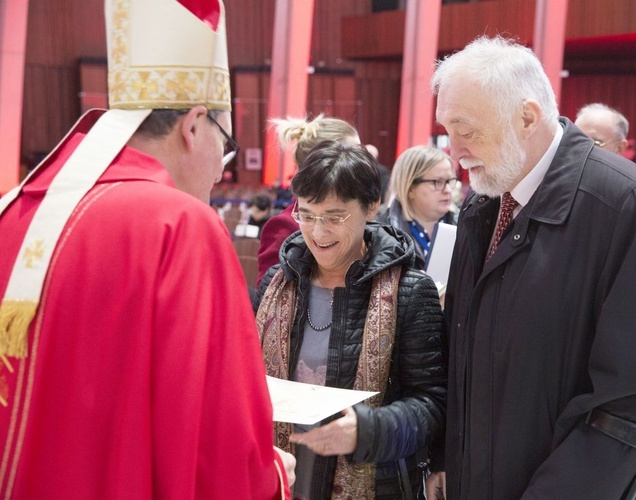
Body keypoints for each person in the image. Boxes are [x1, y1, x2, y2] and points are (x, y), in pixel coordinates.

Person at [0, 0, 293, 497]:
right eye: (224, 144)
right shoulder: (180, 226)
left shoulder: (15, 210)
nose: (222, 167)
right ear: (193, 125)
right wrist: (276, 472)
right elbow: (220, 441)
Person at [431, 36, 636, 499]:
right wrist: (449, 462)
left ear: (527, 117)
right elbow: (466, 362)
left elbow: (633, 398)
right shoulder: (482, 206)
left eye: (465, 129)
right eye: (447, 130)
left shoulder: (627, 203)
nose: (455, 149)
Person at [253, 141, 447, 499]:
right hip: (282, 480)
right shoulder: (278, 283)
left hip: (373, 483)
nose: (318, 232)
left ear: (371, 208)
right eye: (307, 215)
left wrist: (368, 430)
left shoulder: (408, 291)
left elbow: (432, 405)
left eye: (335, 217)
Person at [256, 115, 360, 288]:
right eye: (355, 156)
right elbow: (268, 299)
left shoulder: (361, 216)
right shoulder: (285, 226)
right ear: (326, 165)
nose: (364, 164)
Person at [380, 145, 457, 269]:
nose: (447, 190)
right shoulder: (382, 233)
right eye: (438, 182)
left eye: (449, 181)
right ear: (410, 188)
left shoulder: (466, 225)